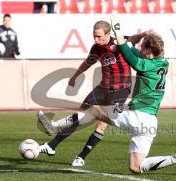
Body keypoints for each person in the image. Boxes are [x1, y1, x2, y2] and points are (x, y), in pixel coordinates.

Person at [38, 15, 176, 173]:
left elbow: (130, 57)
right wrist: (131, 41)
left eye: (143, 47)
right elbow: (133, 51)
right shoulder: (163, 63)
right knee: (136, 167)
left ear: (149, 50)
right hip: (150, 123)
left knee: (94, 110)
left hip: (137, 116)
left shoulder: (147, 64)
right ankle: (175, 158)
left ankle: (54, 127)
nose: (139, 48)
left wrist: (118, 32)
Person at [38, 20, 151, 167]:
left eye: (99, 36)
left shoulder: (119, 41)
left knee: (101, 124)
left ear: (108, 34)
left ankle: (81, 157)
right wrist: (74, 77)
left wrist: (144, 34)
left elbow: (133, 39)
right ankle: (52, 146)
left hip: (121, 90)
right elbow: (87, 63)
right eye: (94, 36)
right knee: (79, 116)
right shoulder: (96, 48)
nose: (96, 40)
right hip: (102, 88)